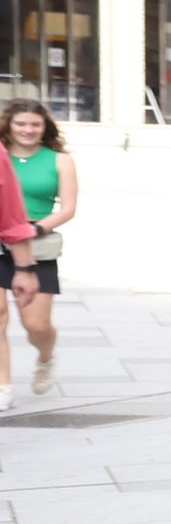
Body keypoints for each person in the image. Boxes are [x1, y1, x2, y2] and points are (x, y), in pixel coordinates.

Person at [2, 99, 71, 401]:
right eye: (21, 123)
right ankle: (3, 386)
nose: (28, 130)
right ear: (9, 125)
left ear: (44, 127)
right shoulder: (2, 155)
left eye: (34, 124)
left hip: (36, 243)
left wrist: (35, 229)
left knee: (36, 325)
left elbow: (68, 208)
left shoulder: (59, 159)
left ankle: (46, 357)